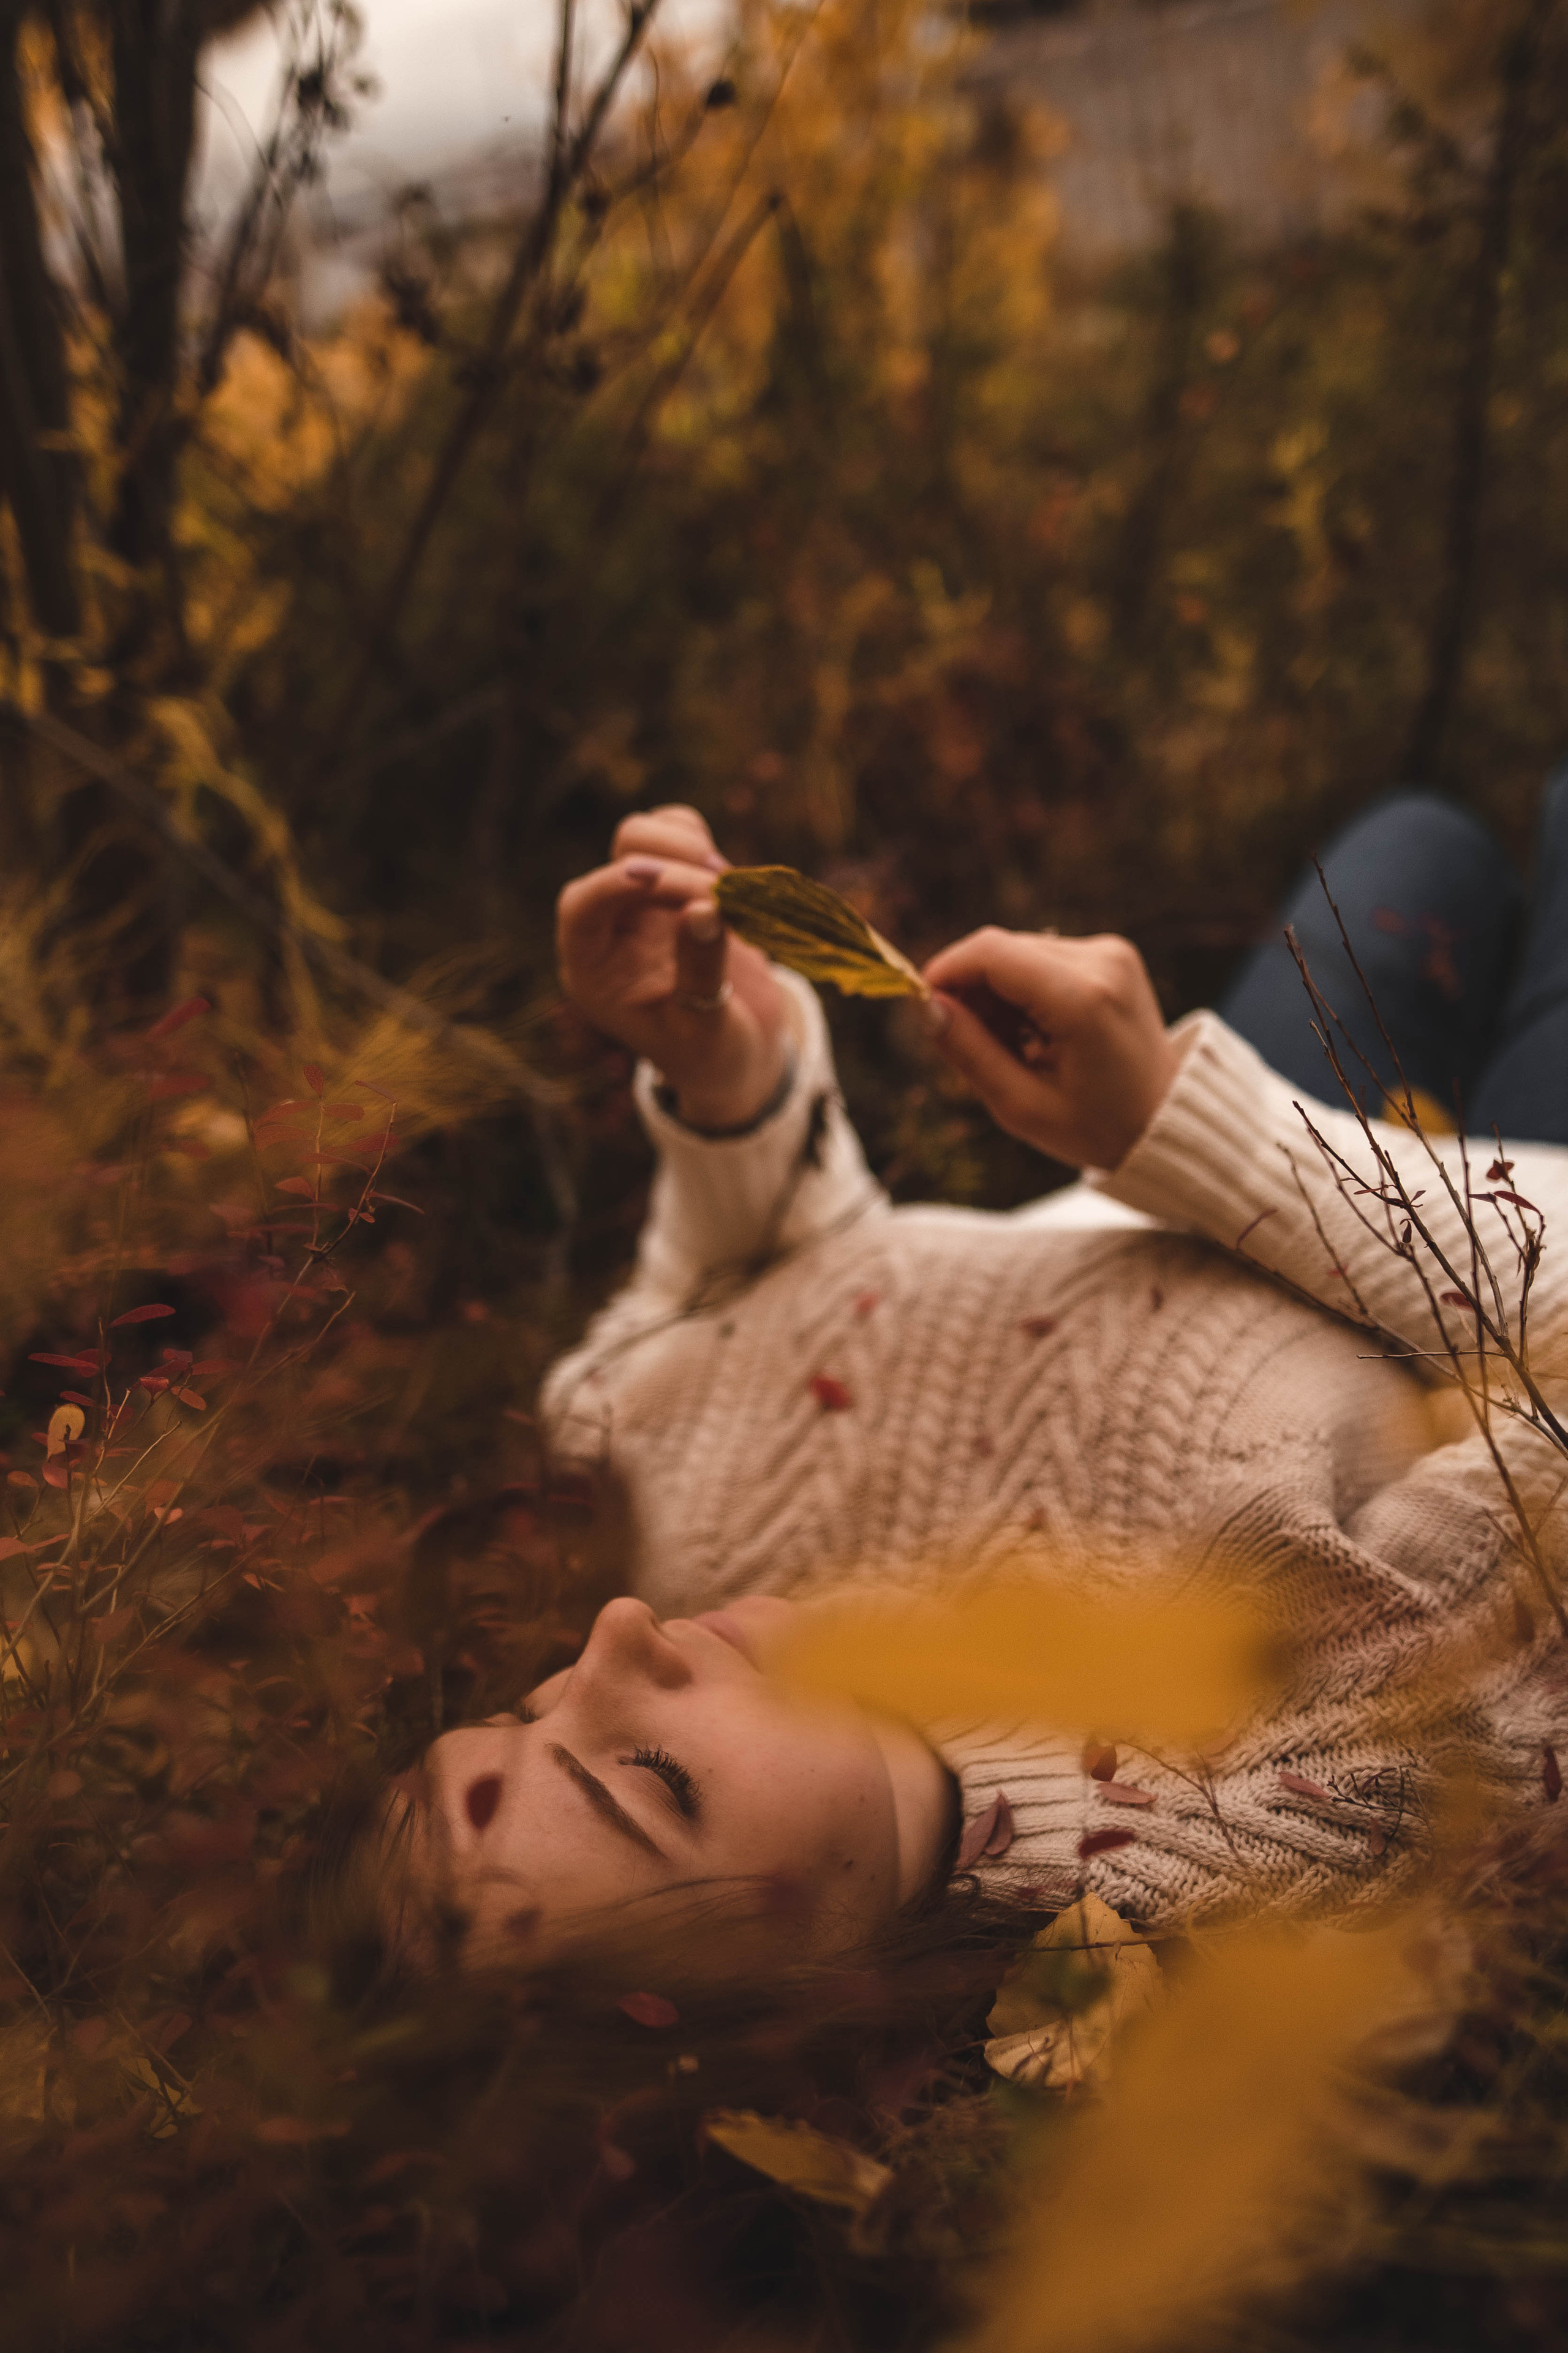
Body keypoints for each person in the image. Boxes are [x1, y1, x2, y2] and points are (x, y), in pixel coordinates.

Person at [389, 778, 1568, 1980]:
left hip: (1197, 1159)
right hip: (1482, 1229)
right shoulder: (1264, 1806)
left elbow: (717, 1318)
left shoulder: (670, 1545)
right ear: (793, 2009)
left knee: (1418, 845)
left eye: (524, 1717)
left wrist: (728, 1091)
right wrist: (1176, 1125)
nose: (614, 1637)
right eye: (650, 1779)